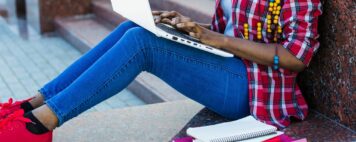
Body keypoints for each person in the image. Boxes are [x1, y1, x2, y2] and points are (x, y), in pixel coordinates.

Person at [0, 0, 322, 141]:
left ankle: (37, 127)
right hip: (229, 67)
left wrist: (215, 38)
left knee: (143, 44)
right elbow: (232, 33)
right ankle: (33, 105)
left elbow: (297, 56)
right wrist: (188, 29)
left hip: (254, 90)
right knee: (136, 27)